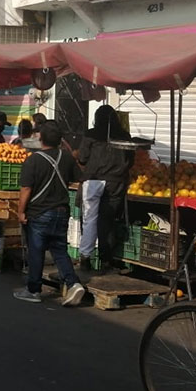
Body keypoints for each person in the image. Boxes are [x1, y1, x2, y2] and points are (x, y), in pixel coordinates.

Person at [13, 121, 85, 306]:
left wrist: (21, 211)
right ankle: (73, 283)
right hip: (61, 211)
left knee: (36, 251)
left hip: (39, 213)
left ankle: (33, 290)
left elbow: (26, 189)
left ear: (41, 138)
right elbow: (79, 179)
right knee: (59, 250)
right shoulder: (67, 158)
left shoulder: (33, 160)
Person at [77, 105, 133, 272]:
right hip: (116, 182)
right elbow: (130, 161)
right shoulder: (124, 135)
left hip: (93, 179)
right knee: (107, 220)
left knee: (89, 219)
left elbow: (82, 157)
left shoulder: (91, 134)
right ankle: (106, 259)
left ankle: (85, 258)